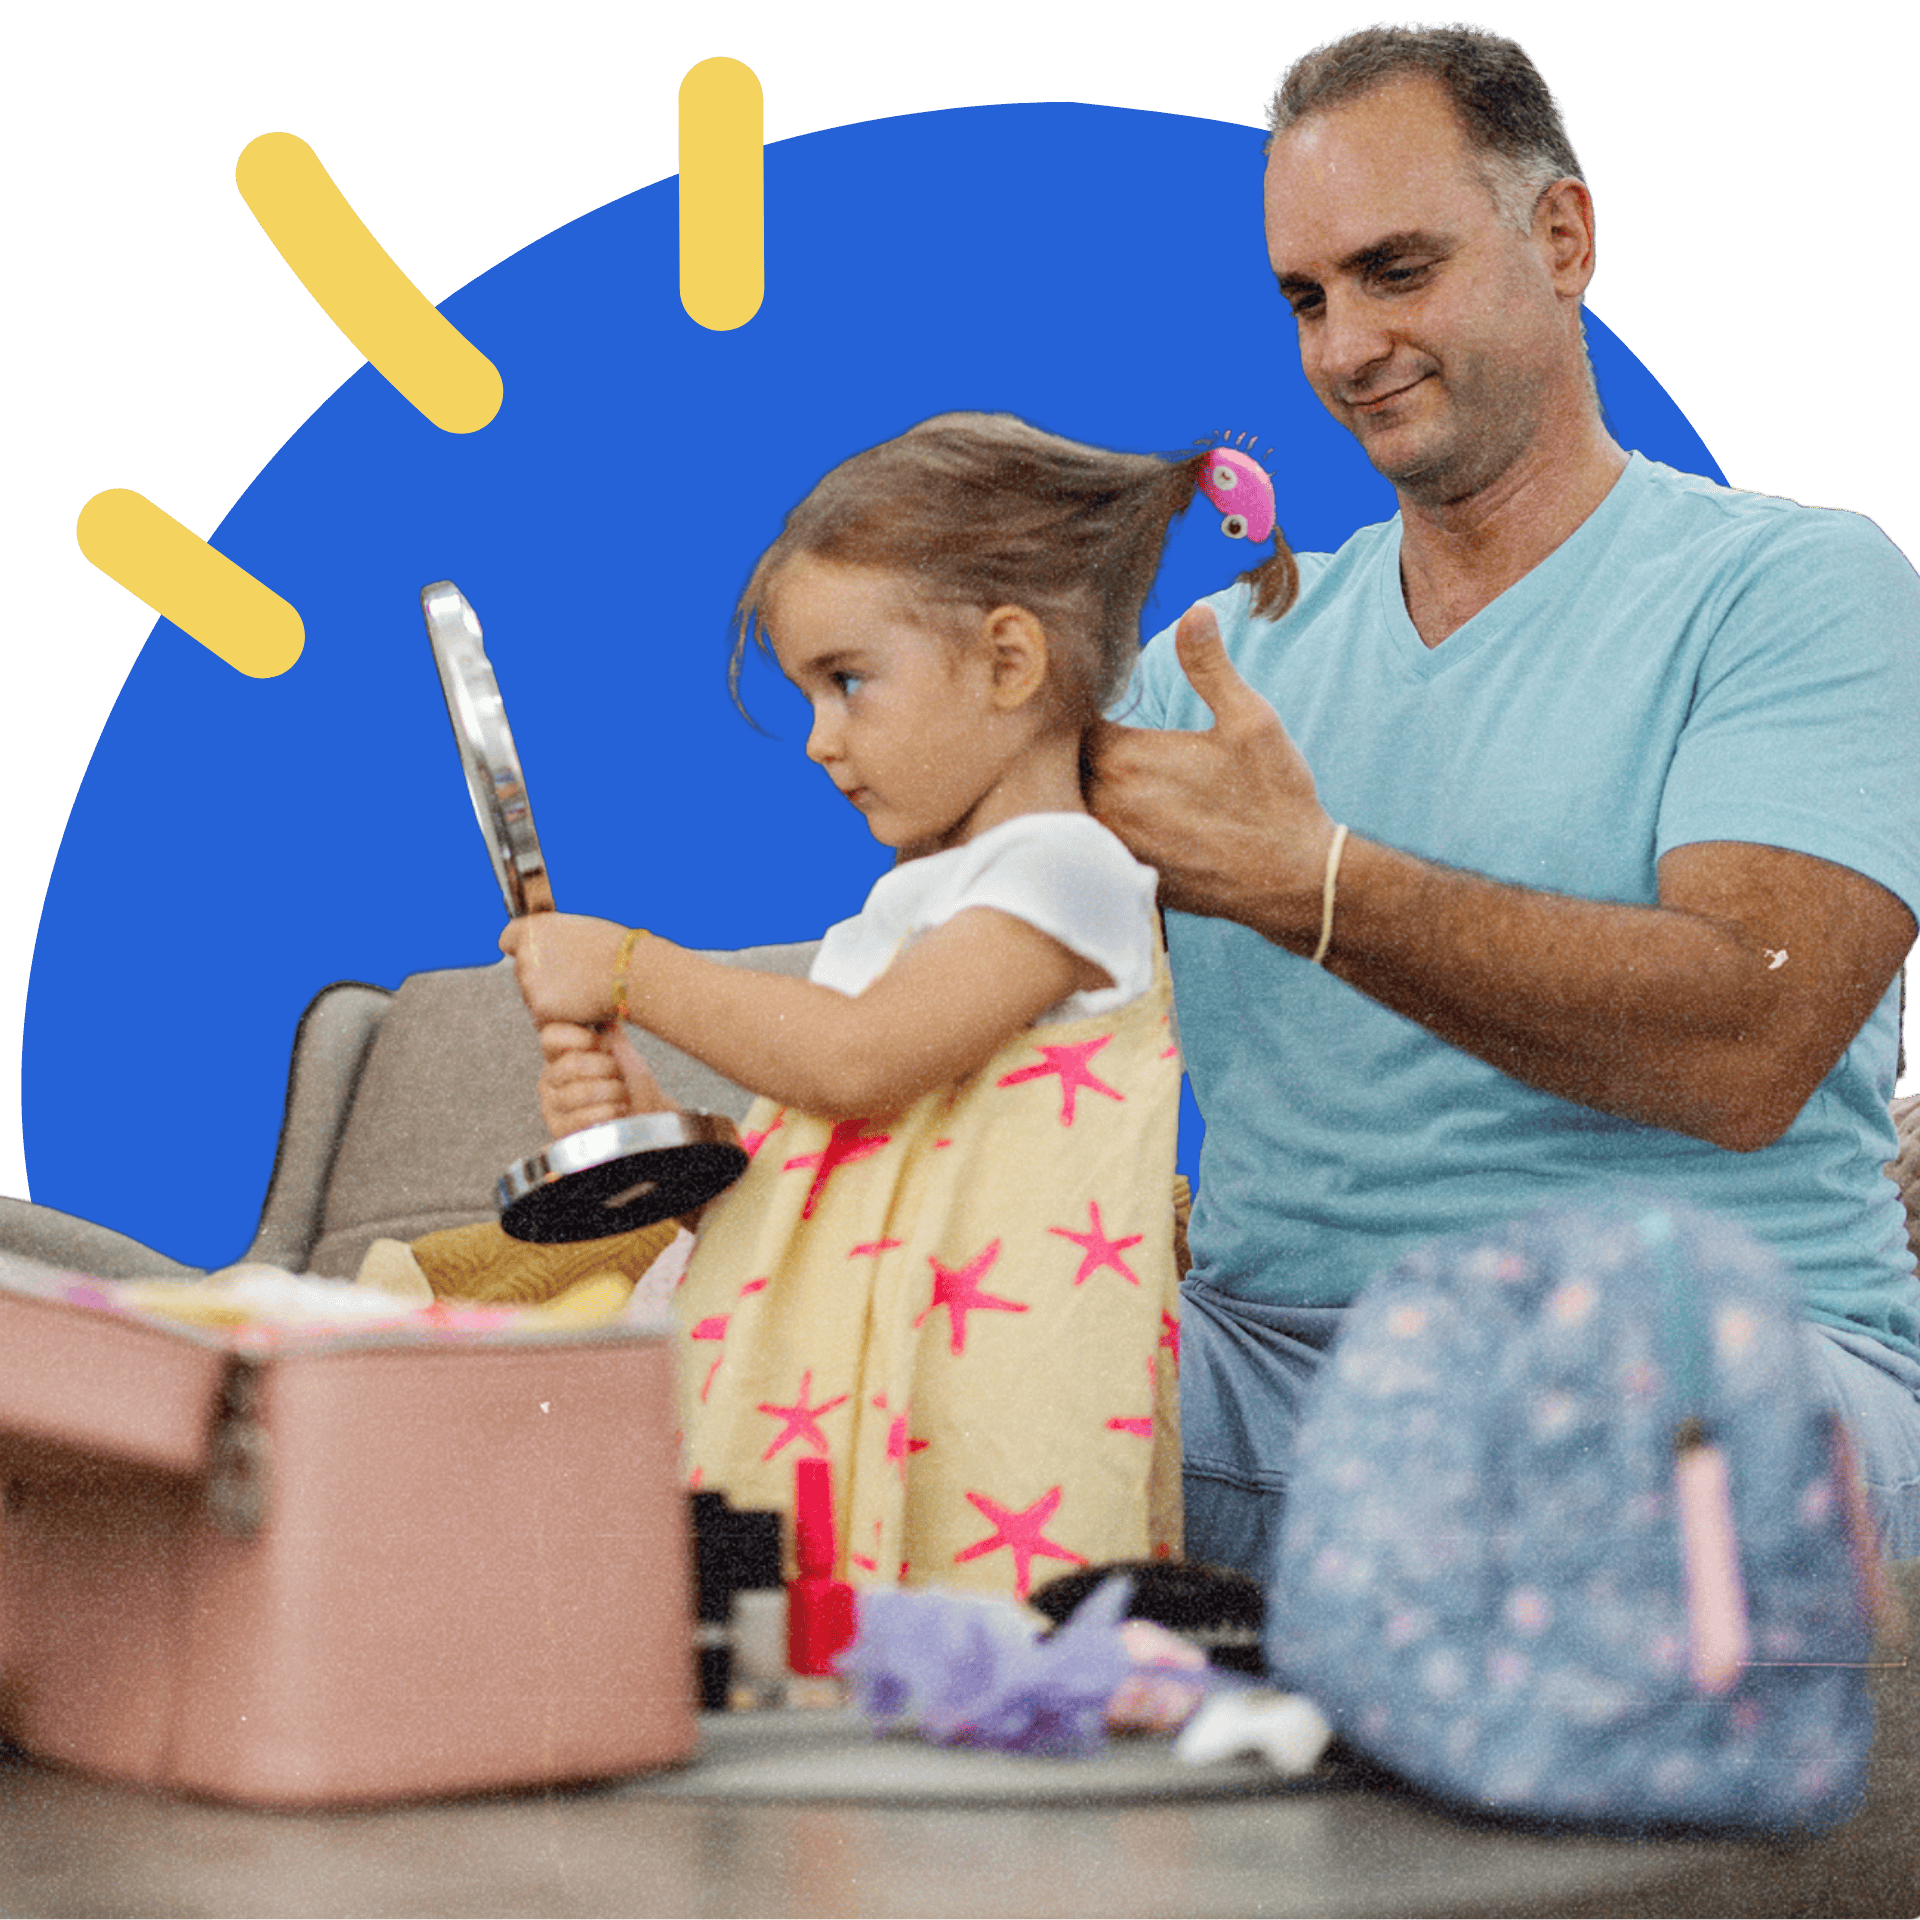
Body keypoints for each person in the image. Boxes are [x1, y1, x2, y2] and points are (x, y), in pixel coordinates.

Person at [1086, 22, 1920, 1573]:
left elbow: (1751, 1039)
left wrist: (1312, 883)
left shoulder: (1793, 591)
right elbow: (985, 980)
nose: (1345, 349)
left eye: (1397, 272)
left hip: (1700, 1375)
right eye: (1307, 298)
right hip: (1274, 1376)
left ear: (1562, 237)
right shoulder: (1216, 664)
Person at [502, 413, 1296, 1597]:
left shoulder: (1062, 871)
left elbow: (860, 1061)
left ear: (1009, 663)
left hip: (983, 1435)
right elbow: (819, 1174)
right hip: (853, 1402)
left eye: (848, 682)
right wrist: (658, 1121)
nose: (821, 741)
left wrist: (630, 968)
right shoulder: (906, 916)